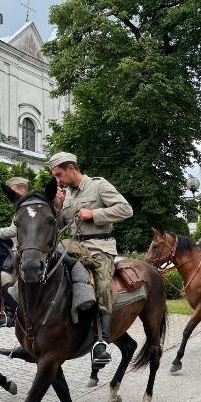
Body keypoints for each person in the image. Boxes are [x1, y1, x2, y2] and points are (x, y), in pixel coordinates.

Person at [50, 152, 133, 365]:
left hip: (99, 247)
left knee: (102, 284)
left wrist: (94, 214)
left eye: (59, 175)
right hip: (73, 246)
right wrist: (57, 207)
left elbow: (126, 210)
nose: (57, 181)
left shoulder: (99, 185)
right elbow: (60, 227)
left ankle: (102, 341)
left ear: (71, 168)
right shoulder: (65, 195)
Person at [0, 176, 29, 328]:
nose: (9, 195)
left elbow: (13, 230)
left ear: (19, 189)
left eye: (11, 191)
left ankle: (11, 314)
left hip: (25, 252)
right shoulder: (24, 205)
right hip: (20, 249)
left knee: (4, 276)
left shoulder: (24, 206)